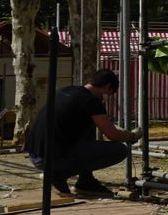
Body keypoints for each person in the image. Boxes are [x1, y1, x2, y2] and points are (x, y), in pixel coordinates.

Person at [23, 69, 138, 198]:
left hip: (36, 153)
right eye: (108, 93)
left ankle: (85, 181)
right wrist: (132, 136)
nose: (105, 98)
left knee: (88, 127)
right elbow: (112, 135)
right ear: (107, 86)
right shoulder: (90, 101)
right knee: (120, 150)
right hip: (51, 158)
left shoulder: (67, 91)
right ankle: (57, 175)